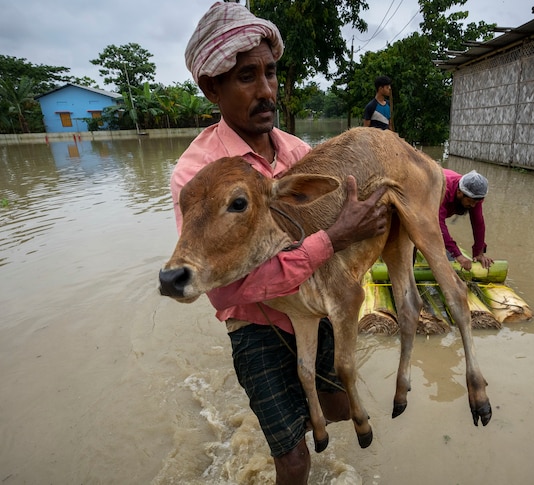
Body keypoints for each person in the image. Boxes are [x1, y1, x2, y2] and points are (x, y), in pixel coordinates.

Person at [171, 3, 389, 484]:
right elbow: (226, 290)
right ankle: (281, 437)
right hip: (254, 327)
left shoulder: (299, 154)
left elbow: (339, 217)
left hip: (311, 308)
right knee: (292, 458)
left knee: (334, 409)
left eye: (270, 72)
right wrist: (332, 239)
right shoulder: (196, 177)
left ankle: (297, 411)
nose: (266, 90)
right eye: (247, 76)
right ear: (212, 87)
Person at [439, 169, 494, 270]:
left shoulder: (473, 195)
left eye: (476, 202)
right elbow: (438, 224)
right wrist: (457, 255)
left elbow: (478, 223)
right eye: (470, 201)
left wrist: (479, 253)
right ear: (459, 192)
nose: (473, 205)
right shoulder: (442, 190)